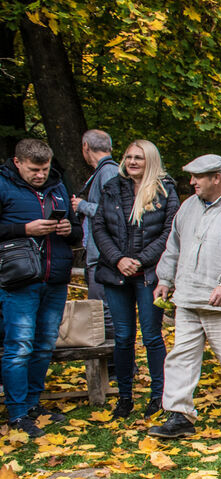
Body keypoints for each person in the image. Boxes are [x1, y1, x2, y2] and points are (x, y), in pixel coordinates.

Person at [150, 154, 221, 438]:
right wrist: (165, 278)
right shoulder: (187, 208)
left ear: (216, 178)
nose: (191, 182)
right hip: (188, 297)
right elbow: (173, 246)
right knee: (181, 357)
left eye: (197, 177)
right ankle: (179, 414)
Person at [0, 138, 82, 437]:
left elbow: (77, 231)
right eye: (34, 169)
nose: (40, 175)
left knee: (44, 345)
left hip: (55, 277)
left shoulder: (58, 186)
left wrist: (67, 229)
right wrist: (24, 229)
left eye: (45, 169)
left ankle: (34, 404)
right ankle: (17, 412)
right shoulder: (3, 185)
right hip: (18, 280)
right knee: (19, 346)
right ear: (18, 162)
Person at [93, 139, 178, 419]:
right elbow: (99, 227)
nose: (131, 162)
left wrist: (141, 260)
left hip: (149, 275)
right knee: (123, 337)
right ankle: (125, 397)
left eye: (138, 158)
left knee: (152, 336)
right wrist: (118, 259)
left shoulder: (166, 190)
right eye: (128, 157)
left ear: (150, 160)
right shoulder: (112, 189)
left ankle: (158, 396)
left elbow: (170, 232)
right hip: (115, 273)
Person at [73, 128, 119, 338]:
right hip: (98, 255)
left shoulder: (108, 172)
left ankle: (114, 367)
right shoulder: (103, 172)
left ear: (85, 147)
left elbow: (113, 212)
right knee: (100, 310)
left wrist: (82, 205)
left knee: (104, 312)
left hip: (103, 256)